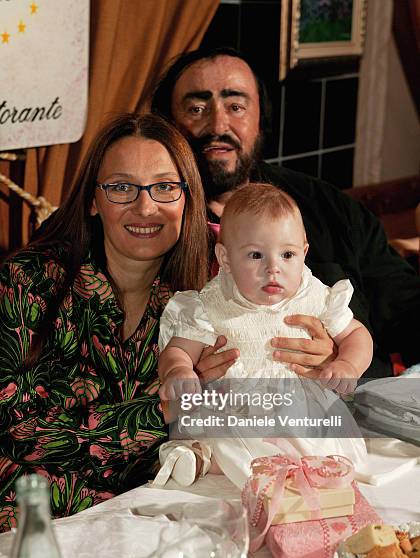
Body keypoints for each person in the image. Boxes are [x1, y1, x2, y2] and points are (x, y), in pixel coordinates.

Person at [0, 112, 215, 530]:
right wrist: (165, 411)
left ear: (187, 198)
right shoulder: (26, 283)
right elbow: (16, 426)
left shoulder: (207, 298)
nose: (145, 207)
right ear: (93, 201)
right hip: (28, 535)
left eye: (165, 187)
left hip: (150, 525)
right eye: (121, 188)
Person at [151, 47, 420, 380]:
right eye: (197, 108)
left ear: (260, 119)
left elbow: (407, 309)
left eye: (236, 106)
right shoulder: (154, 223)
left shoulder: (327, 207)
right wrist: (184, 370)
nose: (218, 124)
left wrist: (342, 358)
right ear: (169, 126)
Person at [155, 184, 371, 489]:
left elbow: (357, 335)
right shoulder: (212, 304)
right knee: (224, 443)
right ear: (225, 257)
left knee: (324, 447)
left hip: (301, 413)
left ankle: (306, 471)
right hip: (236, 412)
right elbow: (179, 349)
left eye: (287, 254)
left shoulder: (315, 296)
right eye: (256, 255)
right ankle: (199, 457)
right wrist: (179, 371)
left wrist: (349, 364)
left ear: (304, 253)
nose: (273, 268)